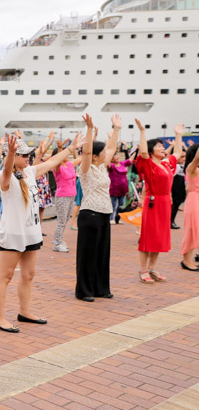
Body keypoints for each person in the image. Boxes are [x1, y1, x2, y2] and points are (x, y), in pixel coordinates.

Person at [0, 131, 83, 332]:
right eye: (23, 155)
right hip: (14, 234)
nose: (28, 158)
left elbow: (51, 163)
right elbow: (7, 172)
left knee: (29, 274)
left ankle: (24, 312)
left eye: (28, 155)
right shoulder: (5, 176)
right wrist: (10, 153)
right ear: (15, 156)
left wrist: (71, 147)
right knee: (6, 276)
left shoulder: (31, 172)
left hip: (31, 232)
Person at [75, 114, 121, 301]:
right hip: (89, 214)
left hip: (104, 215)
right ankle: (84, 291)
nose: (106, 154)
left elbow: (111, 147)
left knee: (102, 253)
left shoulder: (102, 167)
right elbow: (86, 153)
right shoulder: (86, 168)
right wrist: (89, 129)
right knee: (88, 254)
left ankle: (101, 288)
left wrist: (116, 129)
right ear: (95, 156)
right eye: (101, 153)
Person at [135, 120, 183, 282]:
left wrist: (178, 135)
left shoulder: (166, 164)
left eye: (162, 146)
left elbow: (176, 154)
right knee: (148, 236)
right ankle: (143, 270)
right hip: (153, 202)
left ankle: (153, 268)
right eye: (159, 146)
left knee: (159, 237)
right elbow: (142, 152)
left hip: (164, 203)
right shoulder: (148, 164)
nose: (163, 148)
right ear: (151, 151)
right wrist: (142, 131)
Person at [51, 138, 82, 252]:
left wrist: (80, 146)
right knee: (61, 221)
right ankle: (57, 244)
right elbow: (57, 160)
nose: (67, 154)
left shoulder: (69, 164)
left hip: (71, 195)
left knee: (65, 220)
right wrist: (60, 148)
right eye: (65, 153)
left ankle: (60, 240)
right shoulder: (57, 167)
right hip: (62, 196)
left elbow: (81, 158)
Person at [179, 143, 199, 271]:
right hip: (194, 200)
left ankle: (190, 259)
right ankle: (186, 261)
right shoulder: (191, 168)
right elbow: (196, 159)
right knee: (191, 231)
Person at [33, 132, 56, 230]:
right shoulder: (33, 163)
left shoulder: (42, 160)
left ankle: (39, 228)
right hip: (38, 187)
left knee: (42, 209)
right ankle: (35, 228)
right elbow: (41, 151)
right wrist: (48, 139)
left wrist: (50, 143)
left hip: (43, 187)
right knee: (36, 209)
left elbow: (50, 156)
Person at [108, 149, 132, 224]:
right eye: (115, 157)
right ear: (112, 159)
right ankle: (111, 218)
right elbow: (107, 162)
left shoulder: (122, 164)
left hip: (123, 188)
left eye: (117, 157)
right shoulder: (111, 166)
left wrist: (136, 150)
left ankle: (118, 218)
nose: (117, 158)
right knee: (113, 204)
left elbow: (130, 160)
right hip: (114, 188)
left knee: (121, 205)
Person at [171, 152, 187, 229]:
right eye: (182, 156)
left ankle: (171, 221)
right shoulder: (175, 166)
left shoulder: (182, 165)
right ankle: (170, 221)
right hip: (174, 186)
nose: (183, 158)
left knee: (176, 204)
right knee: (174, 205)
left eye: (184, 156)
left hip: (180, 185)